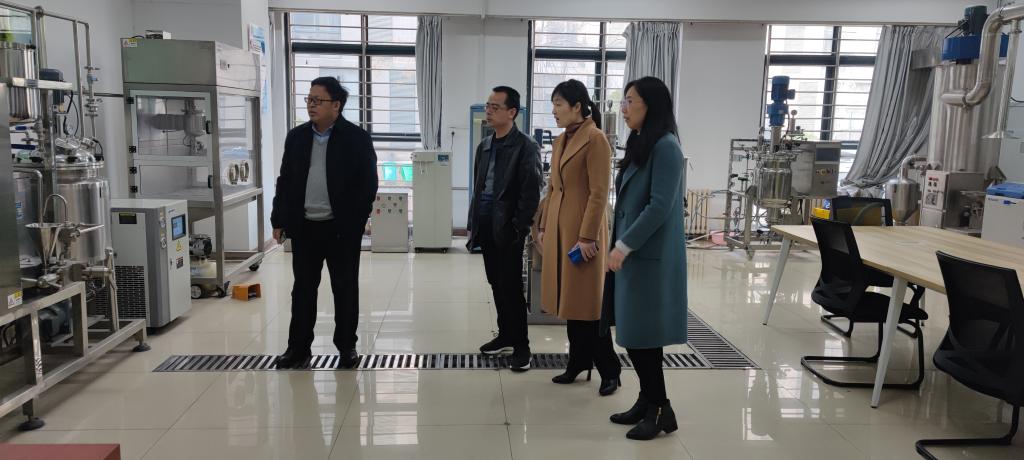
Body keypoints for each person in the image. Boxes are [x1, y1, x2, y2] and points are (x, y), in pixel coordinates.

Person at [270, 76, 379, 369]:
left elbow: (368, 184)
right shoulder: (297, 137)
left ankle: (346, 347)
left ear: (336, 105)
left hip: (341, 229)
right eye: (309, 99)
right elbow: (285, 180)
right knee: (303, 289)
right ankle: (298, 349)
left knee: (345, 288)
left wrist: (356, 220)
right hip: (305, 227)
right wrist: (278, 219)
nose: (311, 105)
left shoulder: (356, 138)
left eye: (317, 100)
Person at [604, 76, 687, 440]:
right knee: (636, 335)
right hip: (635, 256)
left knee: (645, 337)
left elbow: (659, 207)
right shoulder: (642, 142)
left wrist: (624, 246)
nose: (623, 108)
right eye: (624, 101)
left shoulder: (666, 147)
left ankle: (660, 409)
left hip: (648, 257)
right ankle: (648, 402)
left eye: (630, 101)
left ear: (650, 106)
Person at [536, 79, 620, 396]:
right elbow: (553, 188)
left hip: (584, 235)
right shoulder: (561, 140)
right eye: (553, 104)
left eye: (558, 104)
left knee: (589, 307)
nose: (554, 111)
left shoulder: (595, 140)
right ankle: (577, 363)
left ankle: (610, 370)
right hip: (560, 230)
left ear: (577, 106)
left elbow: (599, 193)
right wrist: (543, 225)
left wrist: (587, 237)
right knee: (571, 303)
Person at [467, 86, 542, 372]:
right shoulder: (485, 146)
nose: (488, 111)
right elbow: (479, 187)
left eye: (495, 107)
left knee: (511, 286)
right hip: (486, 224)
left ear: (512, 112)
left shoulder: (525, 146)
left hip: (509, 227)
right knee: (496, 282)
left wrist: (517, 227)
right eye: (488, 106)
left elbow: (531, 193)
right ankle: (505, 335)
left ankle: (522, 346)